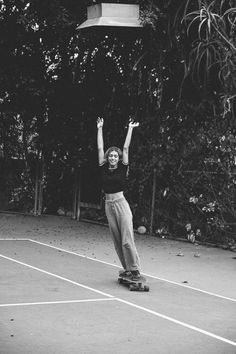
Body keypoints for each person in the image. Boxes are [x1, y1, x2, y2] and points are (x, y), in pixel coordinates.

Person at [97, 116, 141, 280]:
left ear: (119, 157)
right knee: (117, 240)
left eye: (116, 156)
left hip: (121, 204)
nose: (113, 157)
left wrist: (130, 128)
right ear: (108, 157)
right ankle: (127, 269)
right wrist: (100, 128)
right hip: (109, 205)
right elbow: (100, 148)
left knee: (126, 239)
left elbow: (126, 148)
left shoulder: (123, 167)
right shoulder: (103, 168)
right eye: (111, 156)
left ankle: (135, 269)